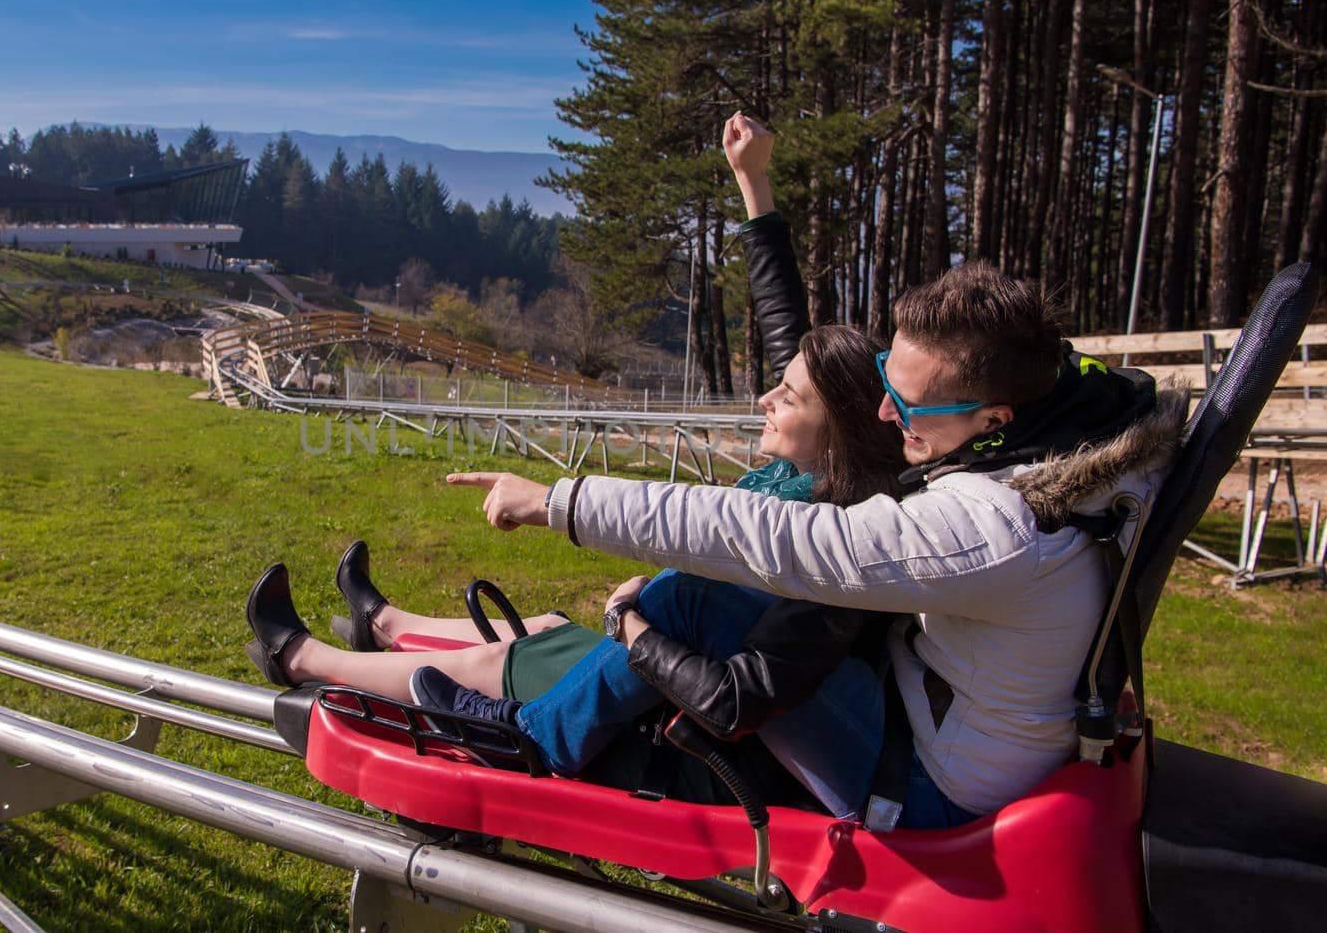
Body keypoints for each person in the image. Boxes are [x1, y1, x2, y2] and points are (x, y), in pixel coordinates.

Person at [444, 252, 1190, 825]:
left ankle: (535, 741)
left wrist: (559, 500)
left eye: (907, 403)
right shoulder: (1072, 410)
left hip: (925, 782)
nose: (885, 415)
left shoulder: (990, 530)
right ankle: (547, 718)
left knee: (695, 593)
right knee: (705, 595)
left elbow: (763, 535)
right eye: (882, 381)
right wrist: (756, 197)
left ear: (993, 419)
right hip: (948, 715)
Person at [246, 316, 906, 807]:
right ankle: (385, 621)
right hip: (686, 683)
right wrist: (755, 191)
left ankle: (304, 657)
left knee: (503, 659)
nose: (766, 398)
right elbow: (799, 337)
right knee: (548, 626)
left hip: (702, 715)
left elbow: (736, 675)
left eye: (787, 396)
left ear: (839, 427)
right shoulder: (804, 488)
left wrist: (629, 621)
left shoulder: (824, 539)